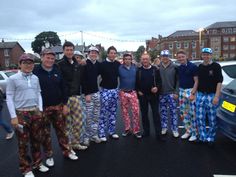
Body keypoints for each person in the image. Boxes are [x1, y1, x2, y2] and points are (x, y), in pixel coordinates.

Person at [33, 49, 78, 167]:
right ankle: (49, 156)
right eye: (47, 57)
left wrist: (65, 104)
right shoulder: (35, 71)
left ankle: (67, 151)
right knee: (45, 134)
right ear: (42, 57)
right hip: (43, 108)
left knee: (62, 131)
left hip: (58, 106)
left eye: (52, 58)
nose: (50, 60)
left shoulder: (57, 70)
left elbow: (64, 88)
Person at [6, 53, 49, 177]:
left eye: (30, 63)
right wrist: (13, 116)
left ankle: (38, 163)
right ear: (20, 64)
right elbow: (9, 97)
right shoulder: (12, 79)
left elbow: (39, 93)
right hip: (21, 113)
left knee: (36, 140)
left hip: (35, 111)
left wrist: (40, 109)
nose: (28, 65)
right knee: (23, 143)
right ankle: (26, 168)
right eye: (25, 63)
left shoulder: (35, 78)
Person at [57, 41, 87, 150]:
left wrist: (84, 62)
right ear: (63, 51)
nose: (69, 52)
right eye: (67, 50)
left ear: (73, 51)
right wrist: (63, 101)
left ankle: (75, 143)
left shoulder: (77, 64)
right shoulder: (59, 65)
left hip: (76, 96)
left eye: (71, 50)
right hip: (65, 99)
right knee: (67, 125)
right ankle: (68, 147)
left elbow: (82, 77)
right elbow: (59, 84)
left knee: (79, 122)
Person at [196, 48, 223, 146]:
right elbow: (198, 81)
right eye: (204, 54)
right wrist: (195, 94)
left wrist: (216, 96)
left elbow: (219, 82)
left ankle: (210, 138)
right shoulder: (200, 67)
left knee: (212, 118)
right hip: (201, 95)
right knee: (200, 117)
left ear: (211, 55)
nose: (206, 56)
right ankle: (203, 137)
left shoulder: (216, 66)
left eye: (208, 54)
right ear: (202, 55)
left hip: (211, 95)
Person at [136, 52, 162, 140]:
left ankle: (159, 134)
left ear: (149, 60)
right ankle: (146, 132)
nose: (145, 61)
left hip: (154, 96)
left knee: (156, 115)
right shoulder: (139, 70)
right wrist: (138, 91)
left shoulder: (155, 69)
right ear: (141, 60)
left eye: (146, 59)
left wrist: (157, 88)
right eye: (143, 59)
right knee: (144, 115)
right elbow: (136, 83)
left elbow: (159, 82)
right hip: (143, 96)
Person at [98, 46, 120, 141]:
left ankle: (112, 131)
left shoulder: (118, 64)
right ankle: (102, 133)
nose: (113, 54)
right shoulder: (102, 64)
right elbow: (94, 75)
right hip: (105, 91)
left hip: (115, 91)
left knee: (113, 113)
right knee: (103, 113)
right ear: (108, 54)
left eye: (114, 53)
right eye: (111, 53)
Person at [177, 49, 198, 142]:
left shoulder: (193, 67)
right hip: (182, 91)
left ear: (186, 56)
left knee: (192, 113)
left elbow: (197, 81)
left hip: (190, 91)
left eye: (182, 57)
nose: (181, 58)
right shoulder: (179, 67)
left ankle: (194, 133)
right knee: (183, 113)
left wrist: (193, 93)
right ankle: (188, 131)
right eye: (179, 57)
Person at [119, 53, 141, 139]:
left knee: (136, 111)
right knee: (125, 112)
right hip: (123, 92)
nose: (127, 60)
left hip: (133, 92)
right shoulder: (119, 68)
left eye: (129, 59)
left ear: (131, 60)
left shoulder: (135, 68)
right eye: (126, 59)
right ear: (123, 60)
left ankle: (136, 130)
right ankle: (127, 129)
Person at [82, 46, 102, 146]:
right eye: (92, 52)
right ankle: (86, 137)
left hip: (97, 93)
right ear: (88, 53)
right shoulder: (84, 64)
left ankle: (94, 135)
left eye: (95, 53)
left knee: (96, 116)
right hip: (88, 95)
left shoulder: (98, 64)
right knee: (88, 117)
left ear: (97, 54)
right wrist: (87, 94)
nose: (93, 54)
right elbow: (83, 80)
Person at [159, 50, 179, 138]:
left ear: (169, 56)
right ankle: (164, 127)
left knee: (173, 112)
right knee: (163, 112)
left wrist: (176, 92)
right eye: (163, 56)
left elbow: (178, 81)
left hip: (172, 93)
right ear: (161, 57)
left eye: (166, 56)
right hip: (161, 94)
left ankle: (175, 129)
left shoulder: (175, 67)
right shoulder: (157, 67)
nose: (165, 58)